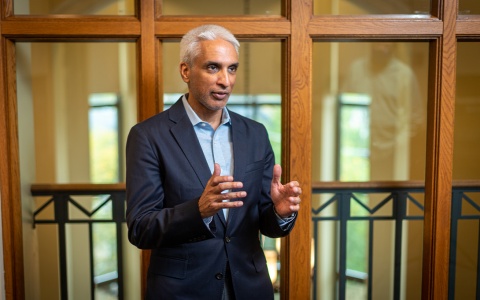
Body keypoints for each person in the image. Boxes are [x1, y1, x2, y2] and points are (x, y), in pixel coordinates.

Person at [125, 24, 302, 300]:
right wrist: (198, 210)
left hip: (250, 288)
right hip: (182, 292)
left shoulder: (256, 133)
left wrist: (280, 212)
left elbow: (266, 224)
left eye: (232, 68)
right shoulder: (148, 136)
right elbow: (140, 228)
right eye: (213, 67)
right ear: (186, 71)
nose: (226, 80)